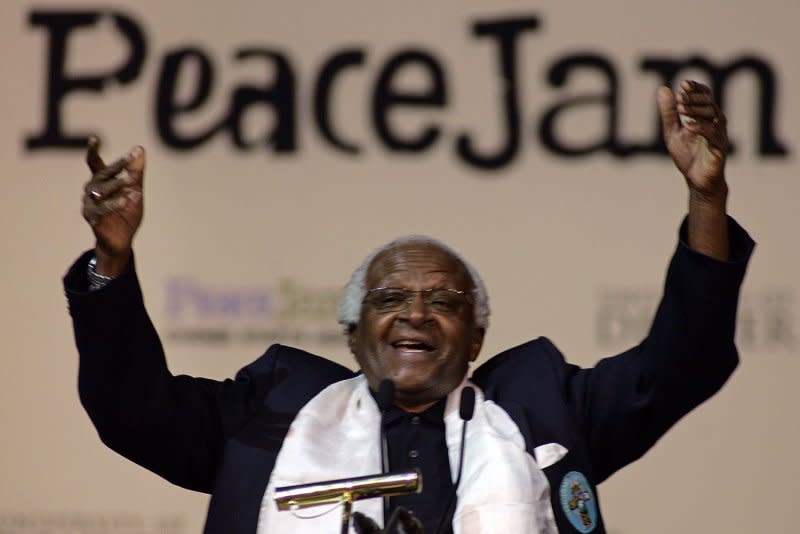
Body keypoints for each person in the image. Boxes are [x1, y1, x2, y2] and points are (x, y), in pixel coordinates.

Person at [65, 81, 754, 534]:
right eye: (389, 299)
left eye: (443, 300)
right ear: (354, 333)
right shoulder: (271, 409)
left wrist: (707, 202)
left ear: (477, 336)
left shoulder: (544, 402)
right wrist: (112, 262)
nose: (415, 314)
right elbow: (132, 409)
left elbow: (683, 364)